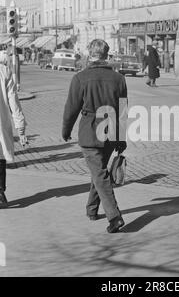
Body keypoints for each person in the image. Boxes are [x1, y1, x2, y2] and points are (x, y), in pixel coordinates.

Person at [62, 39, 127, 234]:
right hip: (110, 131)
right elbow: (123, 110)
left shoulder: (80, 78)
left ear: (90, 54)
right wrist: (121, 138)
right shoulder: (118, 79)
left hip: (90, 132)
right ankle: (91, 209)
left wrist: (66, 130)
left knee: (99, 173)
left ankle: (114, 216)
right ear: (106, 55)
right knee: (99, 172)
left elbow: (71, 108)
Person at [0, 53, 28, 208]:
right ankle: (0, 192)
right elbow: (13, 102)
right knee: (0, 156)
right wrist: (21, 127)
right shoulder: (4, 71)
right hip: (1, 122)